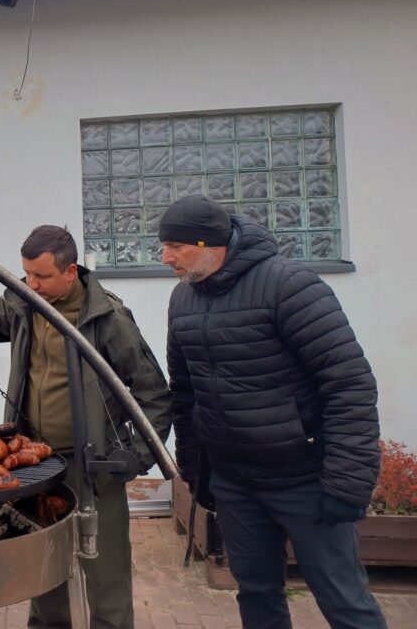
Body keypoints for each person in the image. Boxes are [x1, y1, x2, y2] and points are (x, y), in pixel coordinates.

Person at [0, 224, 172, 629]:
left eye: (42, 276)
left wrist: (136, 458)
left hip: (93, 469)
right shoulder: (23, 301)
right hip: (34, 466)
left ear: (70, 272)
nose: (31, 283)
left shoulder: (109, 318)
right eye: (27, 274)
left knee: (107, 580)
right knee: (43, 571)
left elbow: (153, 393)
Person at [159, 195, 385, 629]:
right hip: (236, 485)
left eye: (177, 247)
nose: (166, 257)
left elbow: (348, 383)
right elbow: (186, 395)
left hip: (305, 481)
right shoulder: (183, 300)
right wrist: (196, 470)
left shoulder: (289, 285)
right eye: (164, 246)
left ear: (211, 245)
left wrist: (347, 483)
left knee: (344, 602)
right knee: (257, 596)